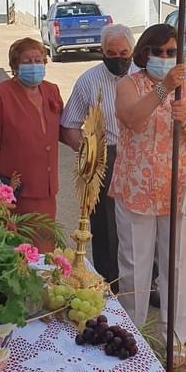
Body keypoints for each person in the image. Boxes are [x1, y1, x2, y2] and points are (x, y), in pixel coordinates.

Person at [110, 22, 186, 359]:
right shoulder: (129, 84)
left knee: (178, 266)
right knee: (134, 265)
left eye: (171, 52)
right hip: (136, 188)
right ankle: (132, 338)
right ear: (145, 53)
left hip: (178, 188)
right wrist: (163, 90)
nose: (165, 58)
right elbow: (131, 119)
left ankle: (175, 341)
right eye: (158, 52)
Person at [61, 24, 135, 289]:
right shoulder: (88, 81)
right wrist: (89, 155)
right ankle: (110, 282)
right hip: (107, 156)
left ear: (132, 49)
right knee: (105, 225)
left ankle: (149, 283)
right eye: (111, 53)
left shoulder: (146, 76)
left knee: (145, 221)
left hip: (141, 155)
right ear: (102, 51)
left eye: (123, 52)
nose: (118, 58)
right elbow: (69, 125)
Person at [0, 37, 64, 246]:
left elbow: (61, 130)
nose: (34, 65)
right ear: (15, 66)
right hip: (16, 188)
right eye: (27, 61)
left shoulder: (51, 90)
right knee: (19, 249)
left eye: (38, 60)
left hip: (46, 187)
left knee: (46, 248)